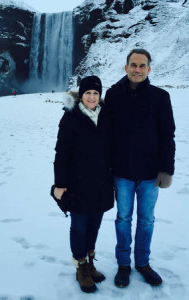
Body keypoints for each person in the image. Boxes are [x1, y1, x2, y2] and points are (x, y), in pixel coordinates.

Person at [105, 49, 175, 288]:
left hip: (150, 173)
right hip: (122, 172)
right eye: (133, 65)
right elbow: (105, 133)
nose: (137, 69)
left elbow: (168, 136)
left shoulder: (160, 97)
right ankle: (123, 264)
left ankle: (142, 263)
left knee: (146, 220)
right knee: (123, 219)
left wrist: (167, 170)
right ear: (126, 68)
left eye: (142, 65)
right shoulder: (113, 95)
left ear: (148, 69)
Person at [53, 76, 114, 293]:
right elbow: (61, 153)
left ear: (100, 96)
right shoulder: (71, 117)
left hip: (101, 183)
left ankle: (89, 263)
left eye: (95, 93)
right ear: (81, 95)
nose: (91, 97)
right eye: (87, 93)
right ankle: (80, 267)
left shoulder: (106, 115)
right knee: (79, 227)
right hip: (77, 183)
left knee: (94, 225)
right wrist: (59, 184)